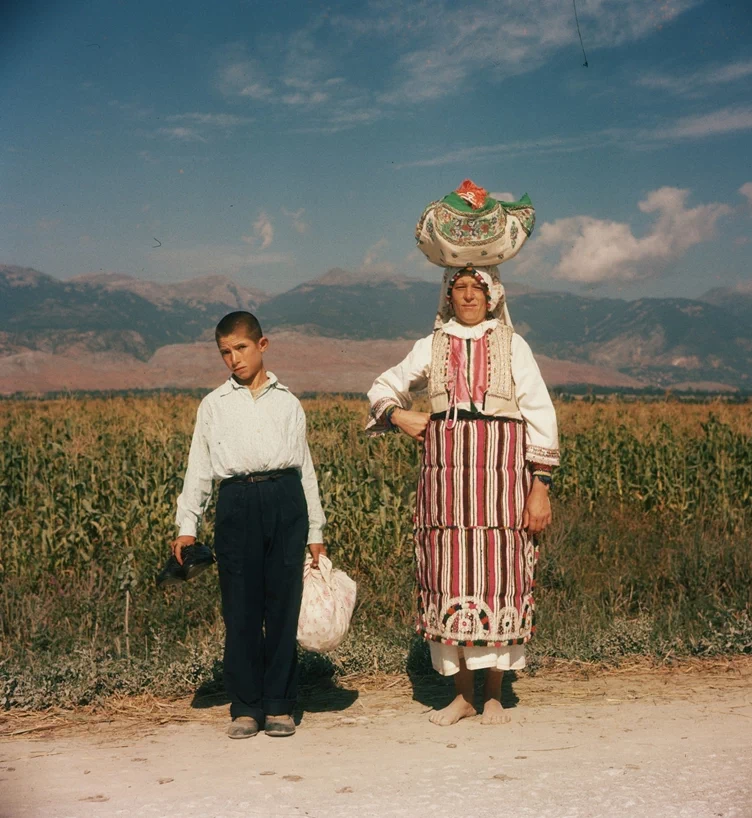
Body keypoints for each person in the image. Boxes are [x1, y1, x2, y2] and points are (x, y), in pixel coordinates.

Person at [367, 264, 559, 726]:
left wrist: (540, 488)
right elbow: (381, 387)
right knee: (451, 580)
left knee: (500, 580)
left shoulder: (512, 345)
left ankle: (494, 691)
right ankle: (463, 696)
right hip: (446, 493)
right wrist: (399, 416)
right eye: (460, 288)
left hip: (501, 490)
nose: (469, 296)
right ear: (448, 295)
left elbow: (541, 415)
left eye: (478, 288)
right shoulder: (430, 345)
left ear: (493, 296)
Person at [172, 311, 327, 739]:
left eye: (240, 348)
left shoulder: (287, 402)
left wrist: (316, 530)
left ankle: (279, 703)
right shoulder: (214, 405)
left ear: (263, 345)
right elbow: (199, 467)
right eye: (225, 352)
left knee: (282, 605)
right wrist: (188, 524)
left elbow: (305, 468)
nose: (233, 359)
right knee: (240, 609)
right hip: (235, 502)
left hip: (285, 498)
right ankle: (246, 706)